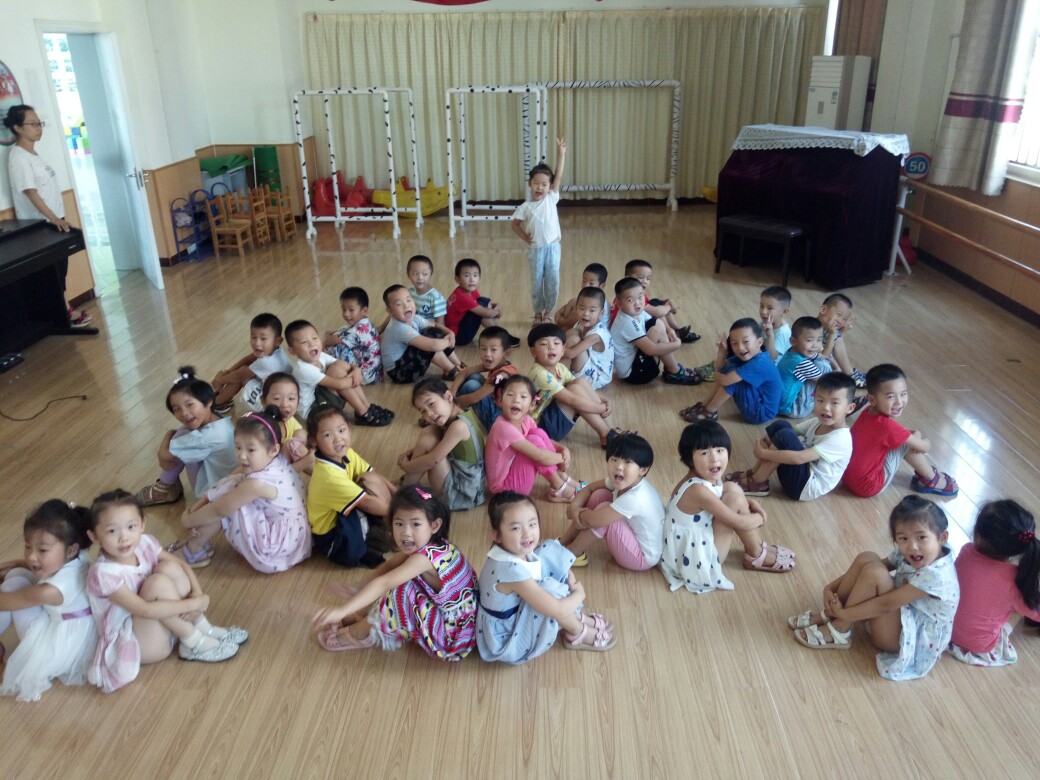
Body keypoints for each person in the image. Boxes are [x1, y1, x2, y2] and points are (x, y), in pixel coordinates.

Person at [86, 490, 244, 692]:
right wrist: (194, 603)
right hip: (139, 644)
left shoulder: (143, 543)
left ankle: (200, 627)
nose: (124, 537)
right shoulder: (103, 573)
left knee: (168, 567)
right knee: (156, 583)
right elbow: (145, 610)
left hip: (164, 625)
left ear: (142, 524)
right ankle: (194, 641)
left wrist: (198, 593)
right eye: (112, 531)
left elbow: (182, 564)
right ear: (94, 536)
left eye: (131, 527)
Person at [788, 495, 959, 681]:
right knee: (867, 558)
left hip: (909, 641)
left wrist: (845, 614)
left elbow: (886, 605)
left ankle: (840, 627)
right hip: (902, 616)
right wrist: (829, 588)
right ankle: (831, 614)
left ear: (942, 538)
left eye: (921, 537)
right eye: (903, 538)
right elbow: (873, 564)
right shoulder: (914, 551)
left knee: (875, 573)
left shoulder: (937, 576)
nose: (912, 546)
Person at [311, 486, 478, 661]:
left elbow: (384, 583)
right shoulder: (430, 543)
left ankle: (360, 633)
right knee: (396, 580)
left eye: (415, 524)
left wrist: (341, 610)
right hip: (460, 620)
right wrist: (358, 589)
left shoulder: (424, 559)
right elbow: (389, 566)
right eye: (399, 524)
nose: (405, 532)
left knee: (399, 592)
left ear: (434, 525)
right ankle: (367, 617)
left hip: (454, 637)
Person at [477, 491, 616, 662]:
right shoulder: (511, 571)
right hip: (507, 637)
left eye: (532, 524)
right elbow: (556, 609)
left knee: (549, 551)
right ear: (497, 535)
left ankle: (574, 615)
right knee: (549, 591)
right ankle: (577, 630)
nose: (527, 534)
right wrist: (579, 594)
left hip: (512, 612)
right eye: (516, 528)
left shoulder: (511, 551)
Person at [660, 422, 794, 595]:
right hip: (695, 562)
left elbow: (718, 495)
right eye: (704, 453)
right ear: (689, 460)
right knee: (734, 500)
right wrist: (760, 516)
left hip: (690, 543)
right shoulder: (697, 490)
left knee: (731, 487)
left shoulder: (704, 478)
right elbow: (738, 522)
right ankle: (756, 553)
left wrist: (749, 502)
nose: (714, 459)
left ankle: (756, 548)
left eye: (719, 450)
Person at [173, 407, 311, 573]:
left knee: (228, 501)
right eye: (238, 447)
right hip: (295, 534)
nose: (242, 455)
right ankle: (198, 538)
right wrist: (195, 511)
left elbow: (220, 509)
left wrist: (188, 520)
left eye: (250, 449)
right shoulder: (272, 460)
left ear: (273, 450)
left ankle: (194, 549)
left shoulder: (256, 483)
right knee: (230, 486)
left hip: (278, 546)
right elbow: (223, 484)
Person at [0, 500, 98, 701]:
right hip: (74, 629)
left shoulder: (52, 591)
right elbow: (41, 569)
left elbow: (6, 601)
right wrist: (19, 564)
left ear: (70, 550)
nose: (31, 556)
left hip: (57, 648)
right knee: (17, 573)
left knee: (13, 585)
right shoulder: (79, 556)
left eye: (42, 550)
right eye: (28, 547)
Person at [3, 104, 91, 325]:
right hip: (41, 225)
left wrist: (57, 218)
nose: (38, 127)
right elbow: (30, 192)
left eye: (39, 123)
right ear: (17, 128)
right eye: (33, 124)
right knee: (53, 272)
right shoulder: (18, 156)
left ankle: (62, 312)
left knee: (59, 270)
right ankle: (64, 314)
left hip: (54, 221)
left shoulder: (32, 154)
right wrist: (53, 219)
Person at [725, 372, 857, 500]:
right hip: (799, 472)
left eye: (835, 403)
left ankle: (758, 482)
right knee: (781, 425)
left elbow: (799, 458)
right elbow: (788, 430)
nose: (826, 407)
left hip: (805, 488)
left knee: (784, 436)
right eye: (820, 400)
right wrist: (764, 443)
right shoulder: (817, 422)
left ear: (850, 408)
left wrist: (763, 453)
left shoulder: (841, 439)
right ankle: (755, 473)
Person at [842, 364, 959, 498]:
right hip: (867, 486)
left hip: (847, 477)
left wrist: (913, 435)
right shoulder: (887, 426)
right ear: (872, 399)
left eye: (903, 394)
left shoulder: (868, 411)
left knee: (905, 439)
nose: (899, 402)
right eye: (891, 396)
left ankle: (925, 470)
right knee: (905, 444)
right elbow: (924, 447)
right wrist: (922, 439)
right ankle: (931, 478)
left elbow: (894, 433)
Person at [948, 500, 1040, 666]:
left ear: (977, 535)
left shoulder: (966, 551)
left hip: (946, 630)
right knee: (1019, 606)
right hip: (979, 646)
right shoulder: (1016, 580)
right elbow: (1035, 612)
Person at [560, 433, 665, 571]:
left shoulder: (635, 498)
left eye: (627, 462)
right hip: (633, 534)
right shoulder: (627, 480)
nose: (619, 466)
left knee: (605, 515)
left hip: (642, 558)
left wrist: (575, 512)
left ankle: (571, 554)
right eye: (614, 459)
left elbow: (593, 520)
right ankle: (565, 540)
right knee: (599, 495)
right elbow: (590, 488)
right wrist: (574, 507)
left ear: (643, 470)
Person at [306, 406, 395, 568]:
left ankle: (389, 528)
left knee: (370, 478)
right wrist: (403, 511)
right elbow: (367, 502)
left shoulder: (346, 453)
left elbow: (374, 475)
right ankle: (382, 535)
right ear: (313, 441)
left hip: (346, 515)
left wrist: (401, 495)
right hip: (332, 538)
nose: (338, 439)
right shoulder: (328, 476)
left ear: (349, 427)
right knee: (373, 500)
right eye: (328, 435)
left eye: (341, 430)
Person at [135, 367, 237, 507]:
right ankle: (165, 486)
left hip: (215, 494)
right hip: (228, 486)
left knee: (182, 437)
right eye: (176, 409)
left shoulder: (206, 437)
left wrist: (166, 441)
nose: (184, 413)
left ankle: (164, 488)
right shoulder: (220, 419)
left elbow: (165, 457)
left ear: (208, 401)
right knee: (185, 435)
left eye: (190, 405)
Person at [484, 375, 582, 500]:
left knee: (538, 433)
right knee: (533, 441)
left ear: (532, 404)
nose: (516, 400)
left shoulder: (526, 420)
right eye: (510, 395)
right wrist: (561, 458)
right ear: (500, 400)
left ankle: (561, 477)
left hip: (512, 474)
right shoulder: (503, 428)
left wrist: (562, 449)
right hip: (503, 490)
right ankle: (559, 487)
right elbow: (540, 456)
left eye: (523, 397)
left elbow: (544, 440)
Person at [284, 319, 393, 426]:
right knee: (336, 372)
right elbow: (339, 384)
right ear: (292, 351)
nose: (312, 344)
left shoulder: (320, 356)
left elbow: (343, 364)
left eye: (314, 338)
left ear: (320, 339)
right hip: (314, 413)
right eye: (304, 342)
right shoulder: (303, 369)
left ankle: (366, 407)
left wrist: (356, 370)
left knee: (339, 367)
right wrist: (356, 378)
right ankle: (363, 413)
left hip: (320, 397)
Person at [398, 378, 486, 511]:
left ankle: (404, 488)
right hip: (465, 480)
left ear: (448, 396)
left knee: (428, 440)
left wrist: (407, 466)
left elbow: (433, 460)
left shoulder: (459, 426)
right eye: (423, 411)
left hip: (463, 494)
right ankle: (407, 483)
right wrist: (414, 451)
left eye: (431, 404)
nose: (429, 413)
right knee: (430, 431)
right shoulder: (458, 413)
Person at [527, 323, 620, 448]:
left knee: (579, 382)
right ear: (533, 352)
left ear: (563, 350)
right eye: (544, 344)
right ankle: (606, 434)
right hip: (540, 430)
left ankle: (609, 431)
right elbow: (572, 400)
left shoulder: (559, 367)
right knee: (574, 390)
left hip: (550, 418)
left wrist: (603, 399)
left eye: (556, 343)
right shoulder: (540, 374)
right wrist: (600, 408)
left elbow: (580, 386)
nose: (551, 347)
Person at [679, 318, 781, 423]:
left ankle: (710, 411)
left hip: (761, 413)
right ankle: (704, 405)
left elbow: (725, 380)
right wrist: (722, 351)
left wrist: (717, 375)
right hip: (757, 400)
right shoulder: (750, 355)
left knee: (732, 380)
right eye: (734, 343)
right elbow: (721, 367)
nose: (740, 347)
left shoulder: (759, 363)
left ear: (759, 342)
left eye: (746, 341)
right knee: (730, 370)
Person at [512, 137, 567, 324]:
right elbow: (515, 225)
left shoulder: (551, 198)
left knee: (552, 279)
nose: (540, 187)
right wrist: (525, 238)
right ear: (530, 184)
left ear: (550, 186)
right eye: (536, 183)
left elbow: (558, 176)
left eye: (544, 184)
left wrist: (561, 154)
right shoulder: (525, 207)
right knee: (536, 281)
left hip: (553, 247)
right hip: (535, 249)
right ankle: (537, 312)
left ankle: (549, 312)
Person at [610, 277, 698, 385]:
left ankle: (672, 368)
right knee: (657, 330)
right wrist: (677, 344)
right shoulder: (626, 322)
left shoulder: (636, 312)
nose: (637, 303)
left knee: (658, 324)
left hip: (636, 360)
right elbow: (650, 350)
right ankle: (674, 370)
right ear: (619, 303)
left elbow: (657, 321)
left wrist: (669, 330)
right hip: (634, 374)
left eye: (640, 297)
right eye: (630, 300)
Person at [381, 284, 464, 383]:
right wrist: (449, 341)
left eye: (408, 300)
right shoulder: (399, 328)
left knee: (433, 331)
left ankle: (457, 363)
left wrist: (450, 333)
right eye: (399, 304)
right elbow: (433, 345)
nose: (406, 306)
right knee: (429, 343)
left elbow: (435, 325)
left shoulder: (414, 318)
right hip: (399, 373)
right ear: (389, 311)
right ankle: (452, 371)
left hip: (404, 360)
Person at [210, 312, 291, 414]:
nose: (257, 343)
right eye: (253, 337)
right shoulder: (275, 350)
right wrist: (227, 372)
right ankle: (224, 397)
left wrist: (219, 379)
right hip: (279, 396)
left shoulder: (267, 362)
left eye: (263, 339)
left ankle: (216, 403)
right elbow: (250, 358)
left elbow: (239, 375)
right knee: (240, 373)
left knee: (242, 375)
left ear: (277, 341)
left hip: (271, 407)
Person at [608, 259, 699, 342]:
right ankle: (673, 333)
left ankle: (677, 330)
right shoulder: (630, 299)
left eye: (648, 278)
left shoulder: (636, 294)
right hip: (630, 330)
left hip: (635, 323)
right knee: (658, 311)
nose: (645, 281)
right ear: (627, 278)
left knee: (656, 302)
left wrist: (667, 302)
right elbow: (657, 312)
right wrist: (669, 306)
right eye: (640, 277)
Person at [451, 325, 518, 431]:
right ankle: (452, 409)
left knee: (472, 385)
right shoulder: (498, 363)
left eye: (493, 350)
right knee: (474, 376)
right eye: (483, 349)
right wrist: (452, 393)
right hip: (495, 404)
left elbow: (474, 398)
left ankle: (451, 411)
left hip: (500, 419)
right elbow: (465, 372)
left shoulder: (503, 375)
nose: (487, 354)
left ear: (507, 353)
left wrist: (453, 401)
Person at [775, 316, 832, 418]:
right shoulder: (800, 362)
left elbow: (822, 356)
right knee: (823, 367)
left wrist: (832, 363)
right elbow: (825, 383)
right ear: (793, 341)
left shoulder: (793, 351)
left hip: (778, 403)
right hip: (793, 408)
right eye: (809, 340)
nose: (815, 345)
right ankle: (833, 404)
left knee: (821, 363)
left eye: (819, 340)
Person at [324, 287, 383, 385]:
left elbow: (330, 341)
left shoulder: (356, 331)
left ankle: (329, 369)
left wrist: (323, 343)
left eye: (351, 310)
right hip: (376, 375)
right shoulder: (367, 324)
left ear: (364, 310)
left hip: (364, 376)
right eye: (344, 310)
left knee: (335, 347)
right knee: (343, 329)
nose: (346, 314)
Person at [563, 286, 615, 390]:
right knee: (572, 334)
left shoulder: (597, 335)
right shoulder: (580, 324)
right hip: (590, 362)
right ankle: (560, 374)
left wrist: (553, 349)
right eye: (582, 308)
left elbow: (571, 353)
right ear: (576, 308)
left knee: (572, 341)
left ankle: (559, 378)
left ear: (601, 313)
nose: (586, 314)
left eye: (592, 310)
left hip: (598, 376)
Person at [259, 372, 311, 471]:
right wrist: (308, 460)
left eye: (291, 398)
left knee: (301, 434)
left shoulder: (290, 421)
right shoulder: (260, 429)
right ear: (264, 401)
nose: (285, 404)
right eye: (277, 398)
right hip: (268, 473)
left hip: (286, 468)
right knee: (292, 444)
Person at [444, 258, 503, 346]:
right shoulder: (462, 296)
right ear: (457, 279)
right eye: (467, 276)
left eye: (475, 275)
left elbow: (482, 306)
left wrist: (496, 306)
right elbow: (486, 313)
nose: (472, 279)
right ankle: (500, 336)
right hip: (457, 337)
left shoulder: (471, 291)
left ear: (479, 278)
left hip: (460, 328)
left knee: (483, 302)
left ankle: (501, 333)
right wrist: (497, 311)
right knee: (482, 310)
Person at [817, 293, 867, 387]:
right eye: (839, 314)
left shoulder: (826, 329)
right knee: (836, 339)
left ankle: (850, 373)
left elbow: (836, 352)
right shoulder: (812, 330)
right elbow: (823, 359)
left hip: (824, 367)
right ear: (823, 309)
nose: (840, 321)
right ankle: (850, 374)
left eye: (844, 319)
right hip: (813, 372)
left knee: (837, 339)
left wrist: (840, 332)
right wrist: (833, 335)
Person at [554, 262, 608, 330]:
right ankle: (563, 325)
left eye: (591, 283)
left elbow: (575, 320)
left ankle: (563, 327)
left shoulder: (598, 301)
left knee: (579, 309)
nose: (586, 285)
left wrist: (559, 321)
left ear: (602, 286)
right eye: (584, 281)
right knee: (574, 301)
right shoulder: (590, 296)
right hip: (583, 324)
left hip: (591, 330)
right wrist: (559, 313)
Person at [405, 254, 448, 328]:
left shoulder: (436, 298)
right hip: (413, 327)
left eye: (425, 274)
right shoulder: (409, 292)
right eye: (415, 274)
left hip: (429, 330)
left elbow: (440, 323)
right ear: (408, 275)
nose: (420, 277)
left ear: (430, 275)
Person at [759, 285, 792, 362]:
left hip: (771, 366)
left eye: (770, 308)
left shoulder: (782, 333)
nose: (763, 311)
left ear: (784, 312)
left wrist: (769, 335)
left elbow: (770, 358)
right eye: (762, 306)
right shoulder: (765, 322)